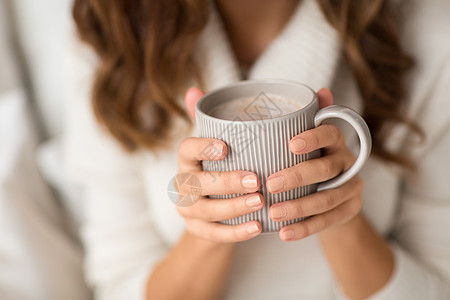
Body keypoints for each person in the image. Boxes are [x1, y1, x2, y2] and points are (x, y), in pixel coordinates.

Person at [67, 0, 450, 299]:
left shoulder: (424, 36)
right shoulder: (115, 38)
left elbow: (437, 289)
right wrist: (207, 227)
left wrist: (341, 215)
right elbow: (118, 288)